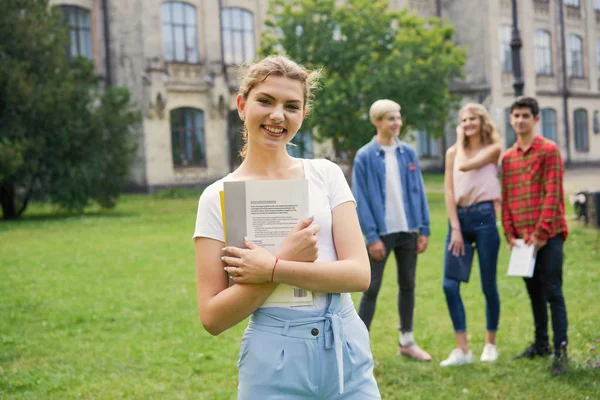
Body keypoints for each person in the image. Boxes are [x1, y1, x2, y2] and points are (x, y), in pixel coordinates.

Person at [193, 55, 381, 399]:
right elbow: (212, 317)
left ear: (303, 114)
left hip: (344, 347)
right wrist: (281, 261)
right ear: (241, 104)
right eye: (265, 101)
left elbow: (358, 275)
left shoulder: (325, 174)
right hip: (272, 358)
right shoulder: (216, 197)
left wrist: (275, 267)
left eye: (291, 106)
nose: (278, 115)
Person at [352, 99, 432, 361]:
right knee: (371, 288)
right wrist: (372, 237)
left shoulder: (407, 153)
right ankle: (359, 348)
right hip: (381, 235)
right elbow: (360, 199)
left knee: (408, 285)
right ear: (377, 122)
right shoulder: (364, 156)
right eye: (390, 119)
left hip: (408, 230)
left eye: (398, 118)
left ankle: (407, 341)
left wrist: (424, 229)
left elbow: (418, 190)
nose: (396, 123)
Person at [501, 96, 569, 377]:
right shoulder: (507, 158)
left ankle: (560, 351)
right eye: (515, 115)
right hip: (522, 241)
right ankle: (541, 343)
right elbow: (505, 199)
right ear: (510, 119)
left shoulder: (549, 151)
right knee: (534, 294)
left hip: (548, 235)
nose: (520, 120)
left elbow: (552, 195)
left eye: (525, 115)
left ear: (536, 119)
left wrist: (541, 233)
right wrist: (509, 233)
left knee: (553, 291)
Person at [440, 103, 502, 367]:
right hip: (460, 220)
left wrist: (457, 138)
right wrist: (455, 227)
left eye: (472, 119)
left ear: (482, 121)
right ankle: (463, 350)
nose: (467, 124)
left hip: (485, 218)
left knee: (488, 284)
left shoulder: (493, 149)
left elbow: (465, 166)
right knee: (449, 285)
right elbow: (449, 191)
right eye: (464, 120)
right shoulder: (452, 153)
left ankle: (490, 345)